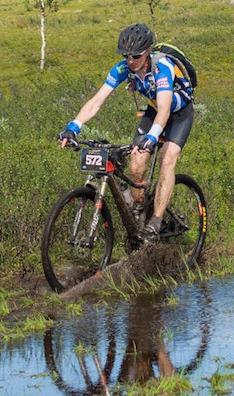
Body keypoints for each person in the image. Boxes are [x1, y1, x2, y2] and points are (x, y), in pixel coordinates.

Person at [58, 23, 195, 244]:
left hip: (177, 113)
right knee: (136, 163)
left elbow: (165, 110)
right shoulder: (123, 69)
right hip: (155, 110)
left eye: (136, 56)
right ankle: (140, 214)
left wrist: (153, 136)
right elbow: (96, 101)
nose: (130, 60)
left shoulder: (163, 68)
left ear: (148, 51)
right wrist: (73, 126)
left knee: (167, 159)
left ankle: (156, 222)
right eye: (126, 56)